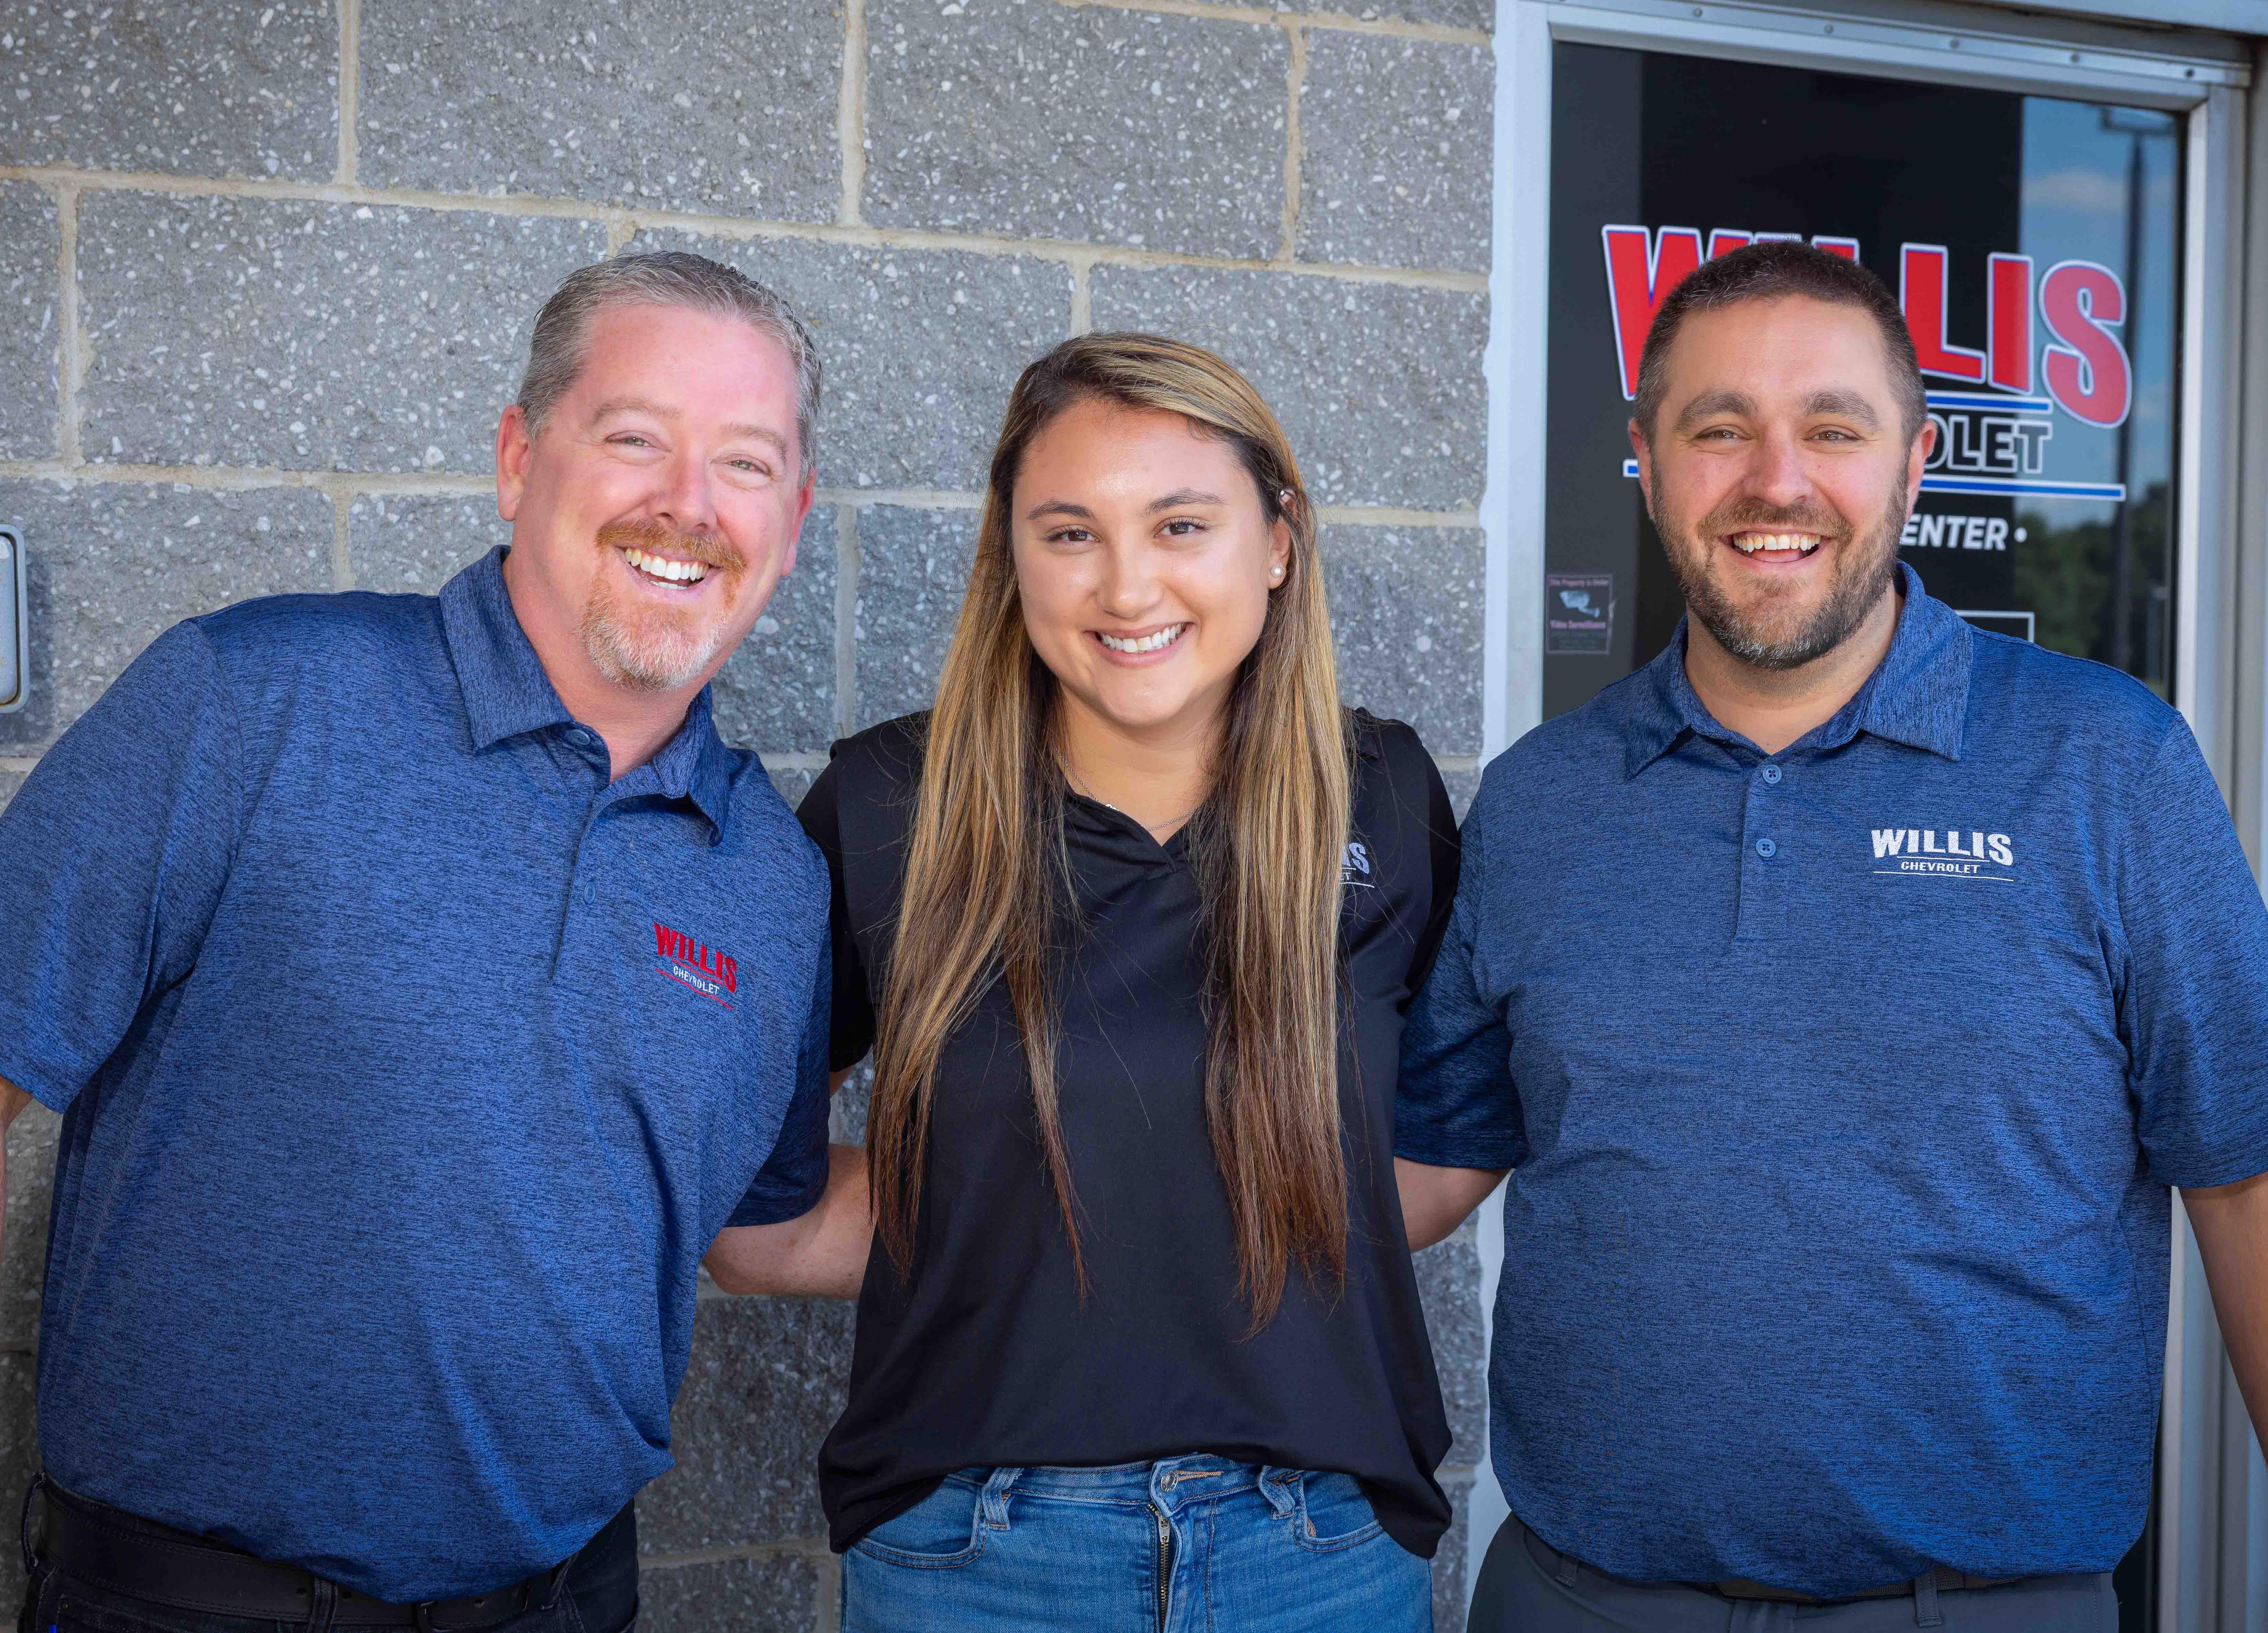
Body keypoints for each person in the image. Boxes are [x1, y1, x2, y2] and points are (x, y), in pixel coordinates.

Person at [0, 252, 872, 1633]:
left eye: (743, 463)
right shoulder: (253, 700)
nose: (688, 504)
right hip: (196, 1607)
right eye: (633, 438)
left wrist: (1126, 1172)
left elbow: (764, 1232)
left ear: (791, 525)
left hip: (560, 1603)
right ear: (515, 460)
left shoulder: (773, 885)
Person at [1394, 239, 2268, 1630]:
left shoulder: (2103, 765)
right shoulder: (1543, 798)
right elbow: (1428, 1161)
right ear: (1646, 458)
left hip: (1979, 1606)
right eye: (1717, 429)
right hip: (1581, 1600)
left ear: (1914, 463)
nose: (1775, 482)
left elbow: (2243, 1175)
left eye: (1831, 430)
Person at [797, 334, 1461, 1631]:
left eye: (1179, 524)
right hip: (975, 1562)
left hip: (1317, 1554)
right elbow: (750, 1201)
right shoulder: (889, 808)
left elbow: (1435, 1150)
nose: (1126, 583)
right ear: (1011, 559)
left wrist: (1197, 1205)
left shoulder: (1379, 788)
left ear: (1276, 541)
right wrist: (999, 1217)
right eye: (1069, 533)